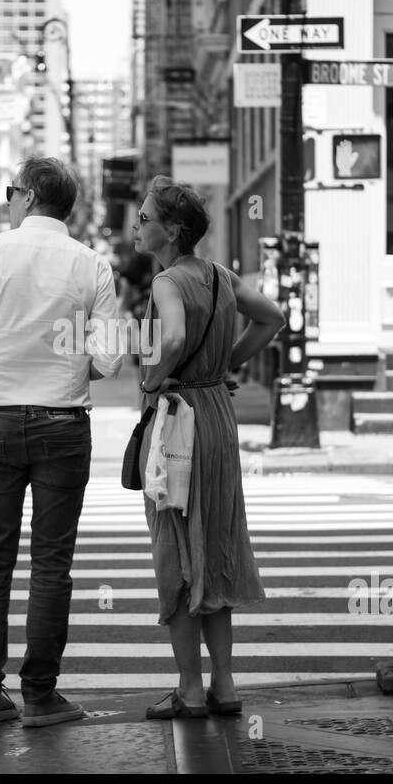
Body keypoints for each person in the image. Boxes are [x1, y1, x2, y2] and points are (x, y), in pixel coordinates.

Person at [0, 157, 123, 729]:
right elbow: (111, 359)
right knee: (52, 565)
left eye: (10, 192)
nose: (7, 201)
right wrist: (64, 370)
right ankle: (41, 695)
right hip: (63, 425)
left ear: (26, 197)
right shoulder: (93, 265)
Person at [131, 176, 285, 718]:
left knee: (175, 551)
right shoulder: (220, 277)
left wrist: (153, 381)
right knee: (216, 546)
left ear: (171, 231)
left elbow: (171, 338)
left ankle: (189, 690)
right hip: (217, 416)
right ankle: (224, 685)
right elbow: (273, 318)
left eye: (145, 218)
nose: (137, 225)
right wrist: (225, 366)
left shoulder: (168, 282)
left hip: (179, 422)